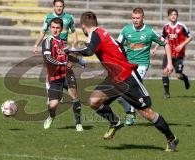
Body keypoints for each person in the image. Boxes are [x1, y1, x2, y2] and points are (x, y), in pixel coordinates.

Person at [67, 11, 178, 151]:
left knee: (147, 113)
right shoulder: (100, 33)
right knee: (94, 101)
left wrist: (69, 51)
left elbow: (89, 51)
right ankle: (115, 122)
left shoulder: (96, 34)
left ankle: (171, 138)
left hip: (127, 78)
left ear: (83, 26)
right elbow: (118, 47)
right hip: (114, 78)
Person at [116, 7, 173, 125]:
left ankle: (132, 113)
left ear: (143, 18)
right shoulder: (126, 30)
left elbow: (166, 44)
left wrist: (169, 63)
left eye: (137, 18)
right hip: (127, 65)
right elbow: (117, 46)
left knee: (131, 87)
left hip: (141, 65)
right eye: (133, 18)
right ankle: (130, 112)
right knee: (119, 95)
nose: (135, 20)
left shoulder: (150, 31)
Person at [42, 18, 85, 131]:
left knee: (74, 96)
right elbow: (47, 58)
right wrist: (62, 63)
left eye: (57, 28)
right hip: (55, 76)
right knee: (53, 105)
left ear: (61, 29)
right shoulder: (47, 41)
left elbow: (67, 55)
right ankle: (51, 116)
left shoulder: (63, 42)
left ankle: (78, 124)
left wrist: (79, 61)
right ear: (50, 28)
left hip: (67, 73)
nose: (55, 30)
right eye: (53, 27)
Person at [153, 8, 192, 98]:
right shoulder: (166, 27)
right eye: (171, 15)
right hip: (168, 54)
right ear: (168, 17)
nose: (173, 16)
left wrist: (182, 45)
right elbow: (162, 38)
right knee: (165, 72)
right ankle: (167, 93)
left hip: (179, 55)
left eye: (175, 14)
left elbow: (190, 37)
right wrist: (156, 48)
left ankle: (185, 79)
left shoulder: (182, 26)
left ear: (177, 16)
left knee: (178, 75)